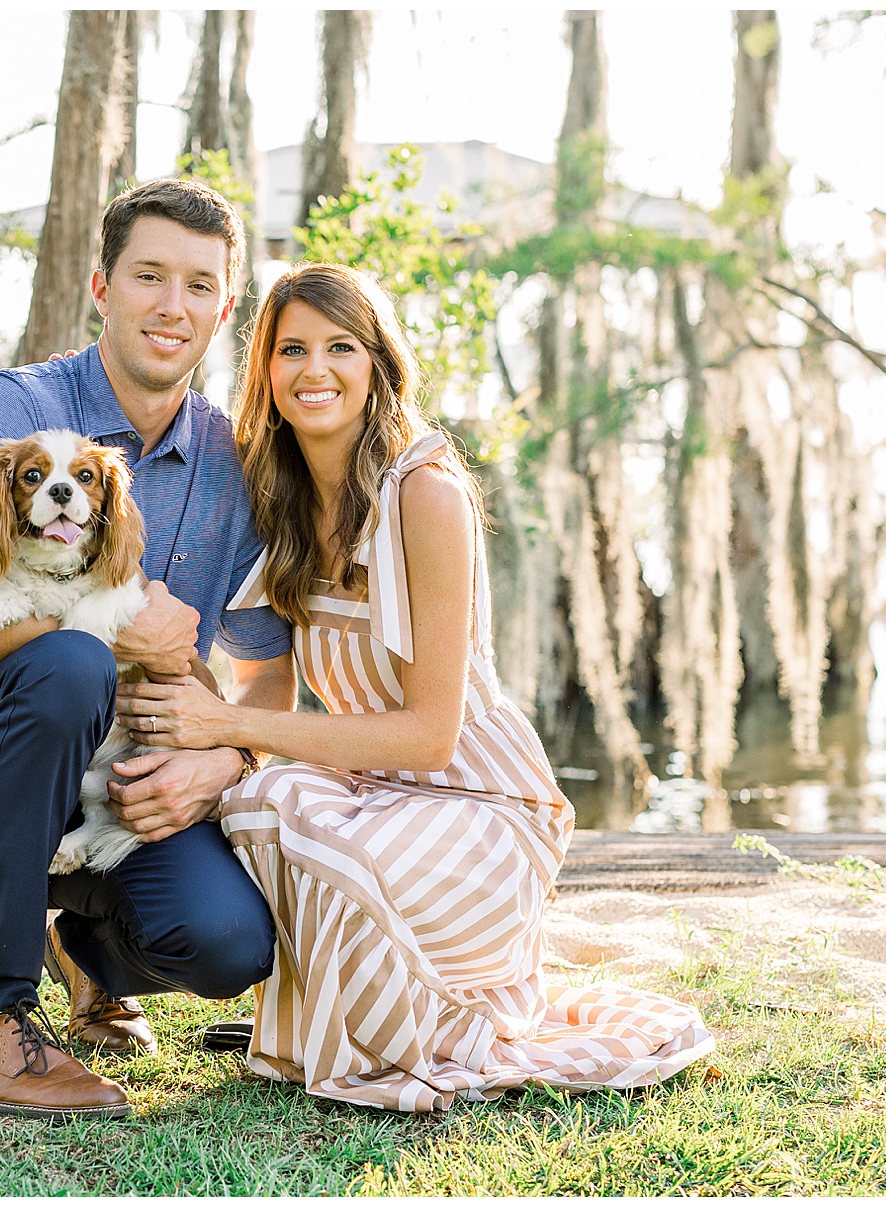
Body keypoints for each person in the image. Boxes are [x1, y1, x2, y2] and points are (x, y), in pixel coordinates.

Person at [115, 262, 716, 1112]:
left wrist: (220, 726)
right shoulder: (278, 495)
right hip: (373, 790)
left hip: (478, 806)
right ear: (265, 371)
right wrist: (199, 718)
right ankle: (319, 1009)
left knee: (294, 807)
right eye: (290, 350)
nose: (313, 369)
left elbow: (431, 736)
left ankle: (400, 1028)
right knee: (262, 799)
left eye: (340, 347)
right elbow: (268, 682)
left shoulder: (424, 493)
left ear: (377, 364)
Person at [0, 177, 297, 1121]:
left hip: (111, 801)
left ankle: (85, 952)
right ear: (103, 288)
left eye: (198, 285)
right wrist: (106, 633)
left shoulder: (233, 463)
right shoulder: (15, 411)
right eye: (149, 276)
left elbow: (271, 673)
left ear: (224, 308)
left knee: (229, 942)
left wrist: (224, 755)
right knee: (70, 663)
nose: (172, 305)